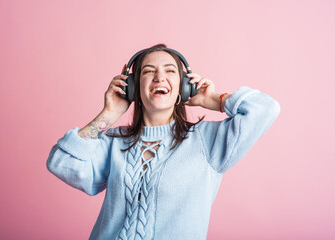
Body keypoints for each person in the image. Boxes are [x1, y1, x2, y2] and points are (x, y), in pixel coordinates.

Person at [46, 44, 281, 240]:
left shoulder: (208, 141)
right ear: (132, 88)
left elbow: (265, 109)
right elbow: (60, 162)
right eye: (149, 71)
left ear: (184, 88)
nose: (160, 77)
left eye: (170, 71)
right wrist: (108, 114)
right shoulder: (113, 142)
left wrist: (214, 100)